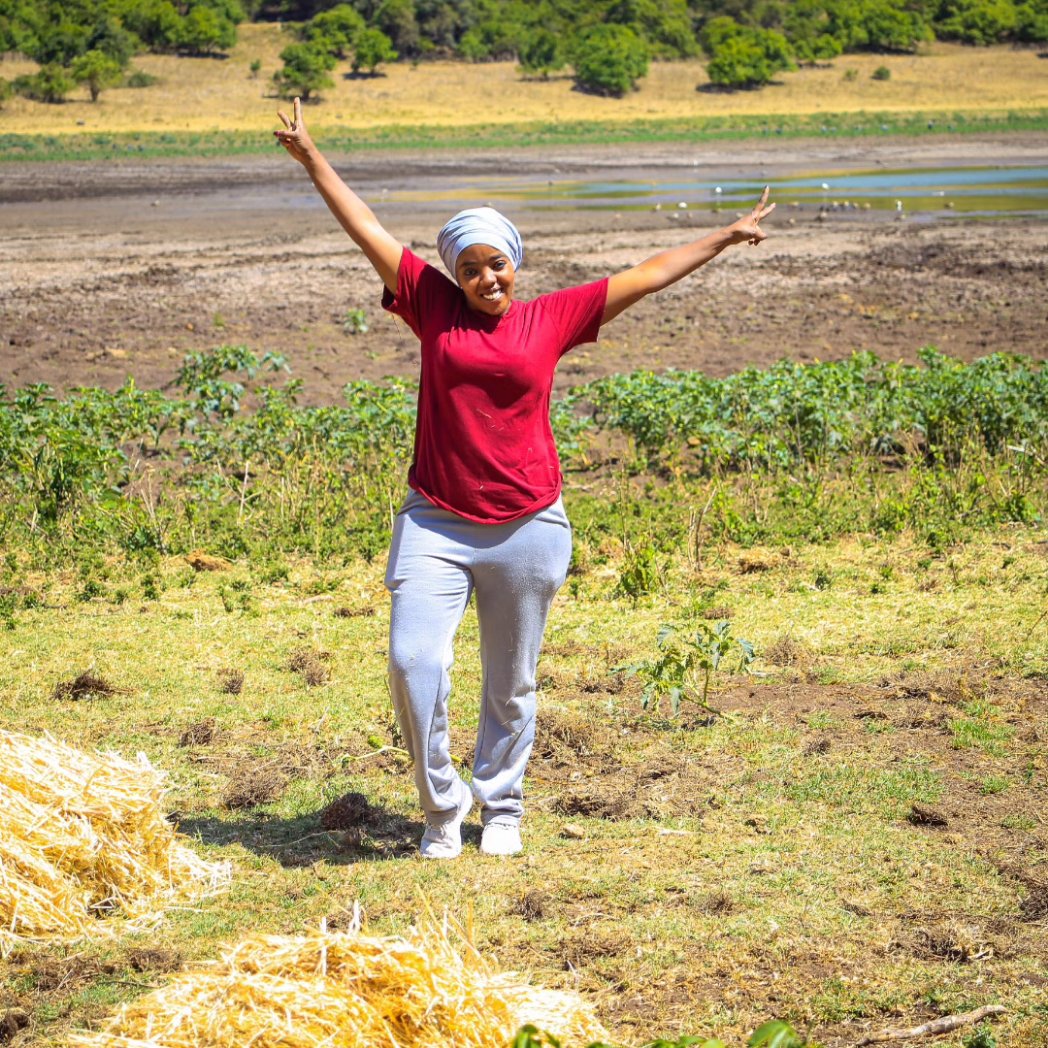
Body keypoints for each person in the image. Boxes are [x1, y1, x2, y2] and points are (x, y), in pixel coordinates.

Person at [274, 97, 774, 860]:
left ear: (516, 264)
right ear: (451, 272)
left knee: (510, 684)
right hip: (436, 519)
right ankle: (441, 809)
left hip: (529, 525)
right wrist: (310, 155)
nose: (484, 277)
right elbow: (368, 229)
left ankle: (500, 806)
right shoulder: (430, 306)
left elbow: (648, 274)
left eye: (496, 263)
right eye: (468, 266)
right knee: (414, 663)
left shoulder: (553, 318)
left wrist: (724, 237)